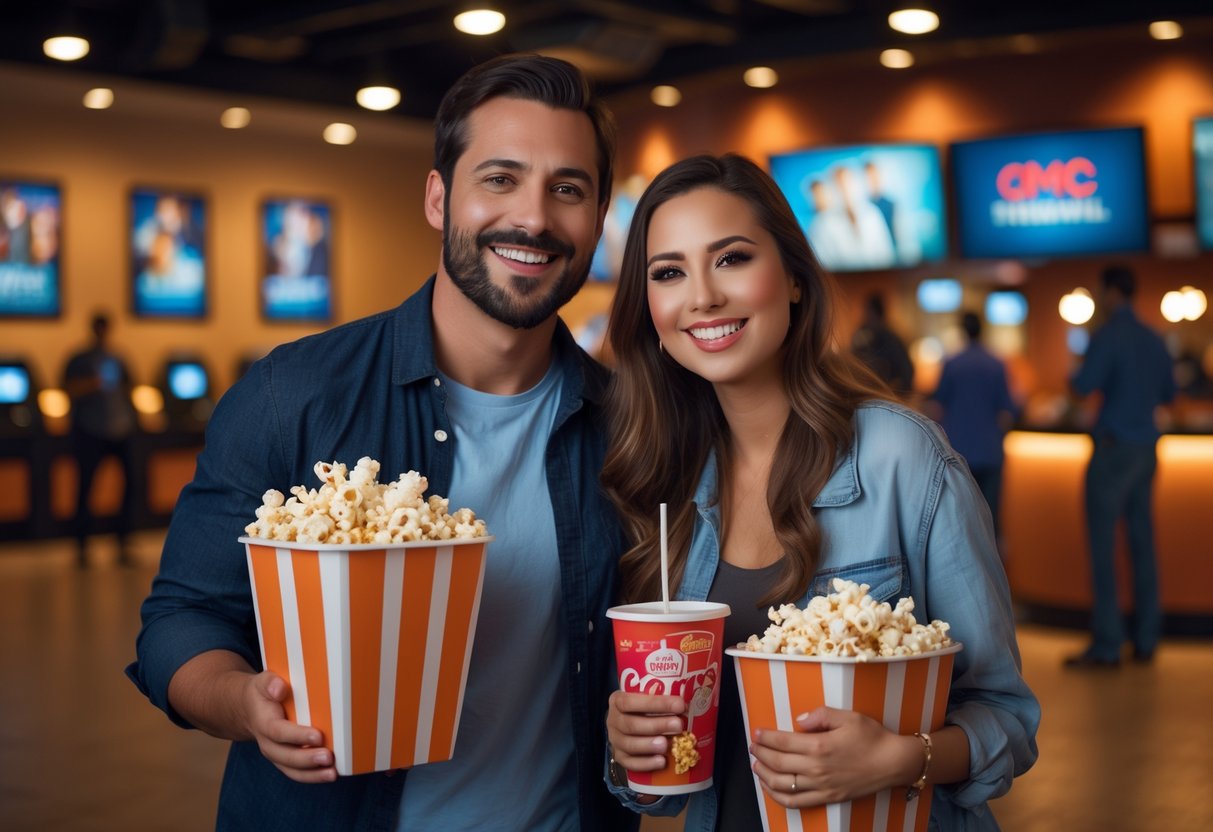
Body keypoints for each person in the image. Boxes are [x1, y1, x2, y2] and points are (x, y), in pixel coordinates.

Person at [126, 54, 636, 832]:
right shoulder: (294, 394)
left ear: (597, 219)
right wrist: (243, 706)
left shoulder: (631, 429)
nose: (533, 218)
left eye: (567, 189)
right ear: (439, 198)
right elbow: (183, 619)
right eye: (499, 179)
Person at [601, 154, 1038, 830]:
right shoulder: (663, 479)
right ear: (650, 310)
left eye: (731, 259)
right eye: (668, 272)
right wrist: (631, 748)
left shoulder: (901, 457)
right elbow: (661, 791)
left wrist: (899, 759)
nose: (702, 297)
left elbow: (1006, 720)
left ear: (795, 280)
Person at [1065, 265, 1176, 669]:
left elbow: (1081, 386)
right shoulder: (1154, 338)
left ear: (1110, 292)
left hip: (1113, 452)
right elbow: (1169, 391)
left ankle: (1108, 645)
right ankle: (1147, 639)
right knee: (1143, 544)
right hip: (1147, 450)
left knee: (1103, 547)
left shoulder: (1107, 335)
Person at [928, 311, 1019, 545]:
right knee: (990, 518)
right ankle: (996, 576)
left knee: (962, 518)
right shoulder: (996, 364)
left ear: (963, 331)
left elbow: (938, 402)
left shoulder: (952, 364)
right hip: (990, 450)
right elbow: (1009, 407)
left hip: (958, 451)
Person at [63, 311, 138, 567]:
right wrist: (91, 384)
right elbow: (68, 390)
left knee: (129, 487)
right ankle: (82, 547)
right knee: (85, 488)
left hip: (120, 430)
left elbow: (130, 389)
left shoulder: (118, 358)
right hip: (90, 431)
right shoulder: (79, 360)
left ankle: (123, 543)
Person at [851, 291, 915, 396]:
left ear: (875, 313)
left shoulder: (890, 339)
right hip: (867, 394)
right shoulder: (861, 335)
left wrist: (896, 393)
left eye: (868, 311)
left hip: (886, 396)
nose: (866, 316)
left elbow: (906, 371)